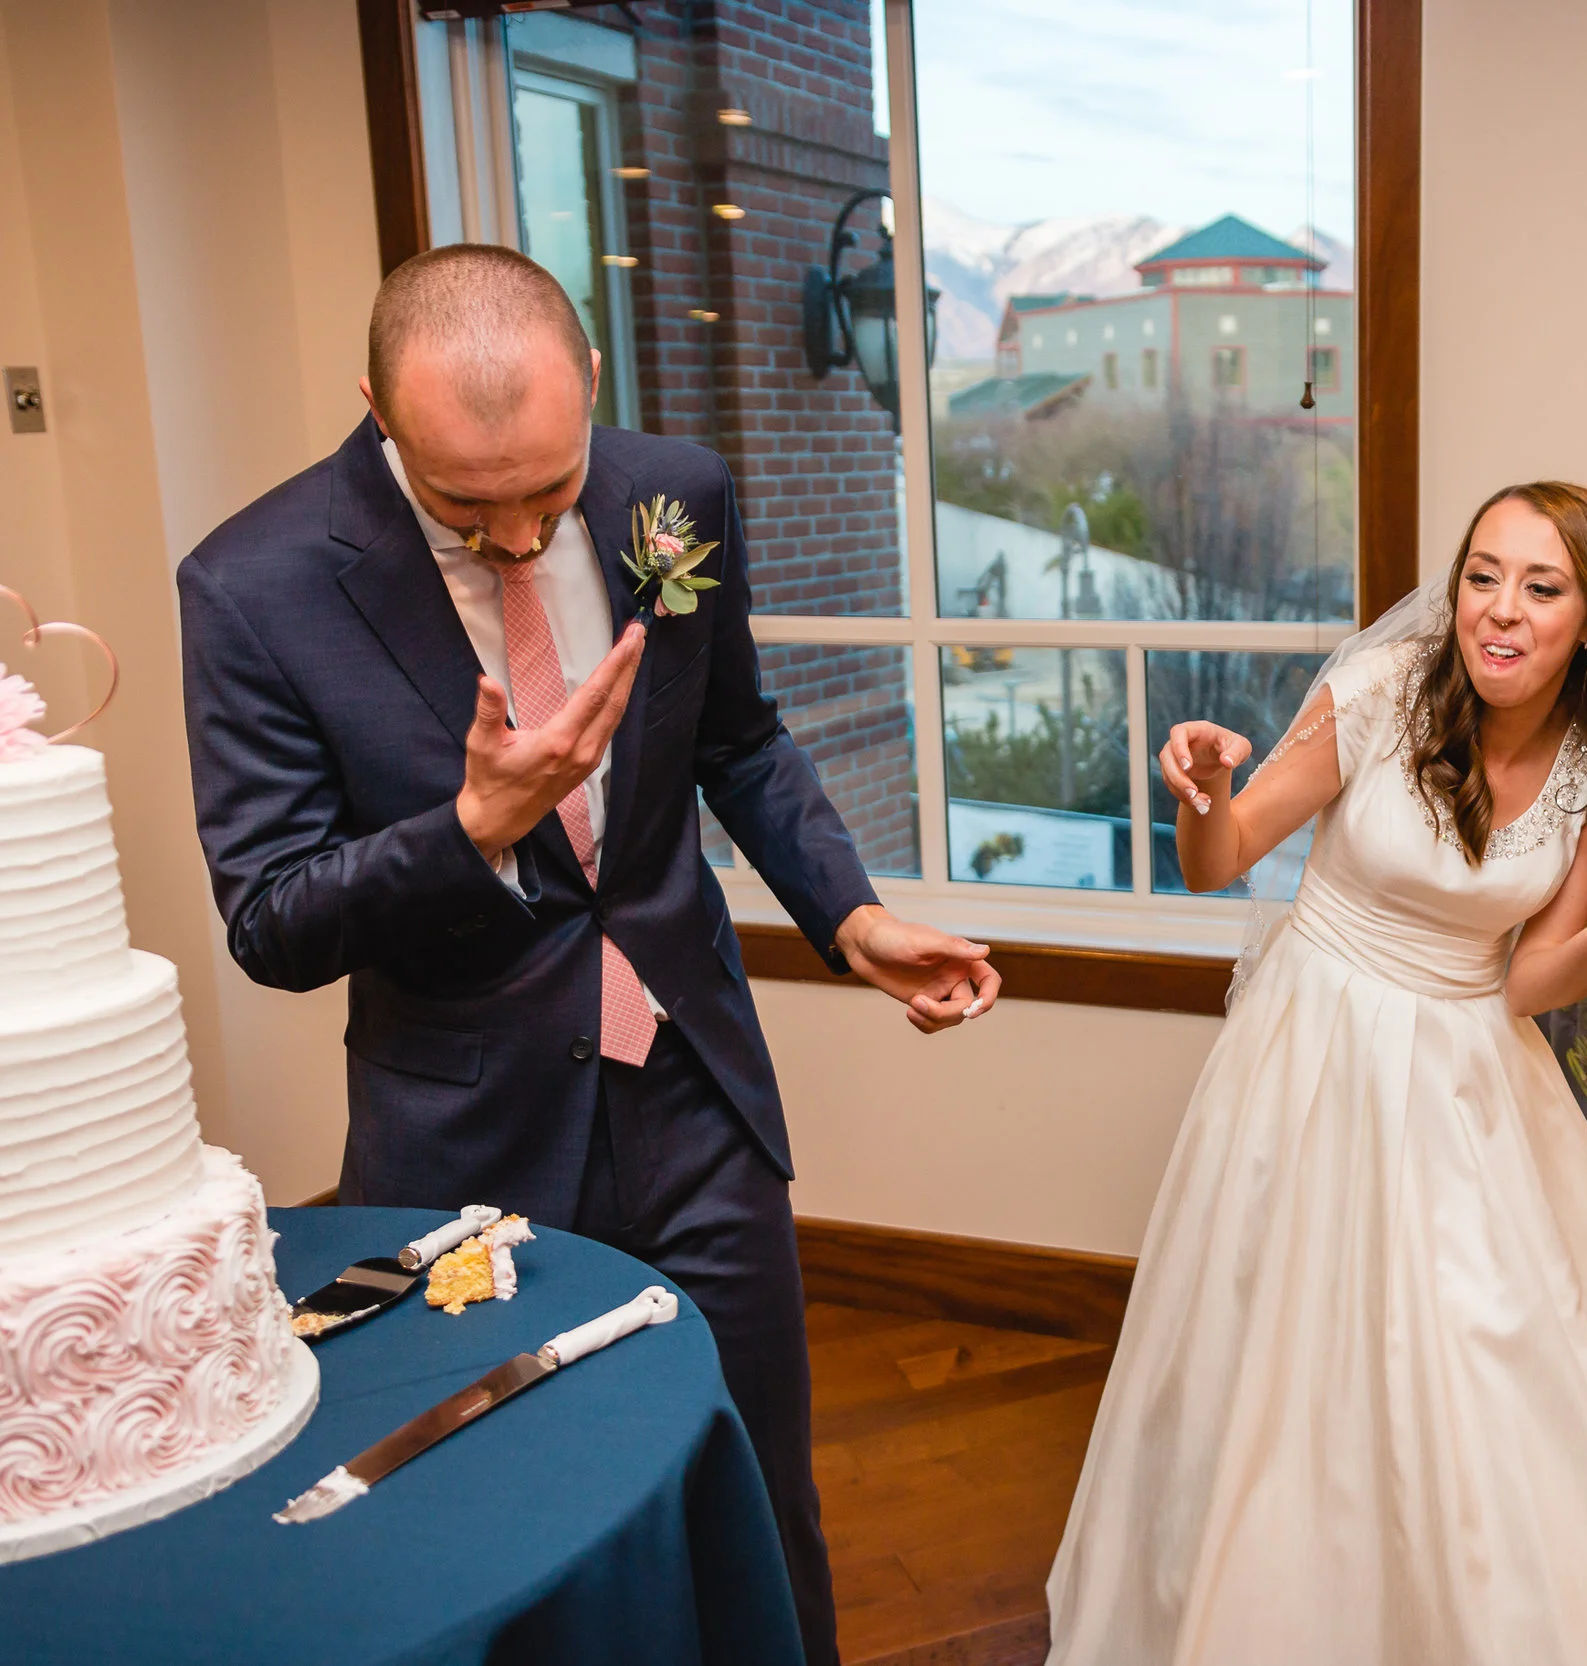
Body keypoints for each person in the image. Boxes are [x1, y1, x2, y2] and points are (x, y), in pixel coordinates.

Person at [177, 244, 997, 1666]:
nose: (514, 540)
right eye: (462, 505)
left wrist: (850, 915)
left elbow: (739, 738)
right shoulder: (254, 584)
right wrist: (470, 828)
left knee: (758, 1497)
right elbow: (272, 922)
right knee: (509, 1522)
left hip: (697, 1101)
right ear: (375, 407)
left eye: (547, 496)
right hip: (470, 1144)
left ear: (594, 387)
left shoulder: (674, 493)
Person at [1043, 481, 1587, 1664]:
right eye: (1482, 575)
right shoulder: (1380, 693)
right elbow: (1218, 859)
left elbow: (1522, 979)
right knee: (1278, 1373)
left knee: (1492, 1376)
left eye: (1540, 587)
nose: (1500, 608)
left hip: (1466, 1082)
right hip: (1311, 1057)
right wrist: (1203, 792)